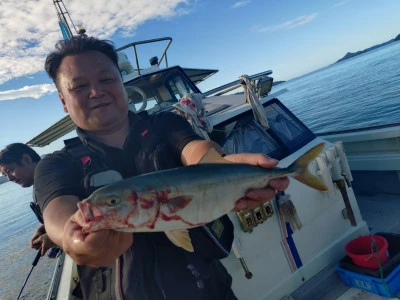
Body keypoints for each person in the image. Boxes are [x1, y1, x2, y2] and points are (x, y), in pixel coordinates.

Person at [35, 35, 290, 299]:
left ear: (121, 83)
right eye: (78, 86)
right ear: (64, 101)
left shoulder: (165, 124)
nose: (96, 92)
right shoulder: (55, 164)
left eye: (106, 79)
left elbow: (195, 150)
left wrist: (222, 168)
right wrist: (70, 237)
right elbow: (57, 213)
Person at [0, 143, 56, 256]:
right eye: (5, 174)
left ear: (27, 159)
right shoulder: (40, 184)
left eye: (10, 170)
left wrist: (53, 237)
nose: (9, 178)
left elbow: (79, 212)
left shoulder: (53, 179)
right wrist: (43, 229)